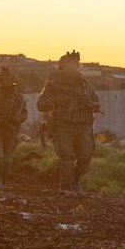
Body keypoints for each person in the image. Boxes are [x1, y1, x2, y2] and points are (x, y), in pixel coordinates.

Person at [36, 51, 101, 192]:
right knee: (66, 158)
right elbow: (40, 104)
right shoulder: (53, 84)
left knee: (85, 159)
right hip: (62, 126)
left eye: (74, 66)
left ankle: (74, 180)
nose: (72, 69)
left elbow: (96, 102)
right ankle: (68, 186)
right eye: (69, 66)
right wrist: (55, 100)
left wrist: (92, 106)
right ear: (62, 68)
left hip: (83, 126)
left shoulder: (85, 84)